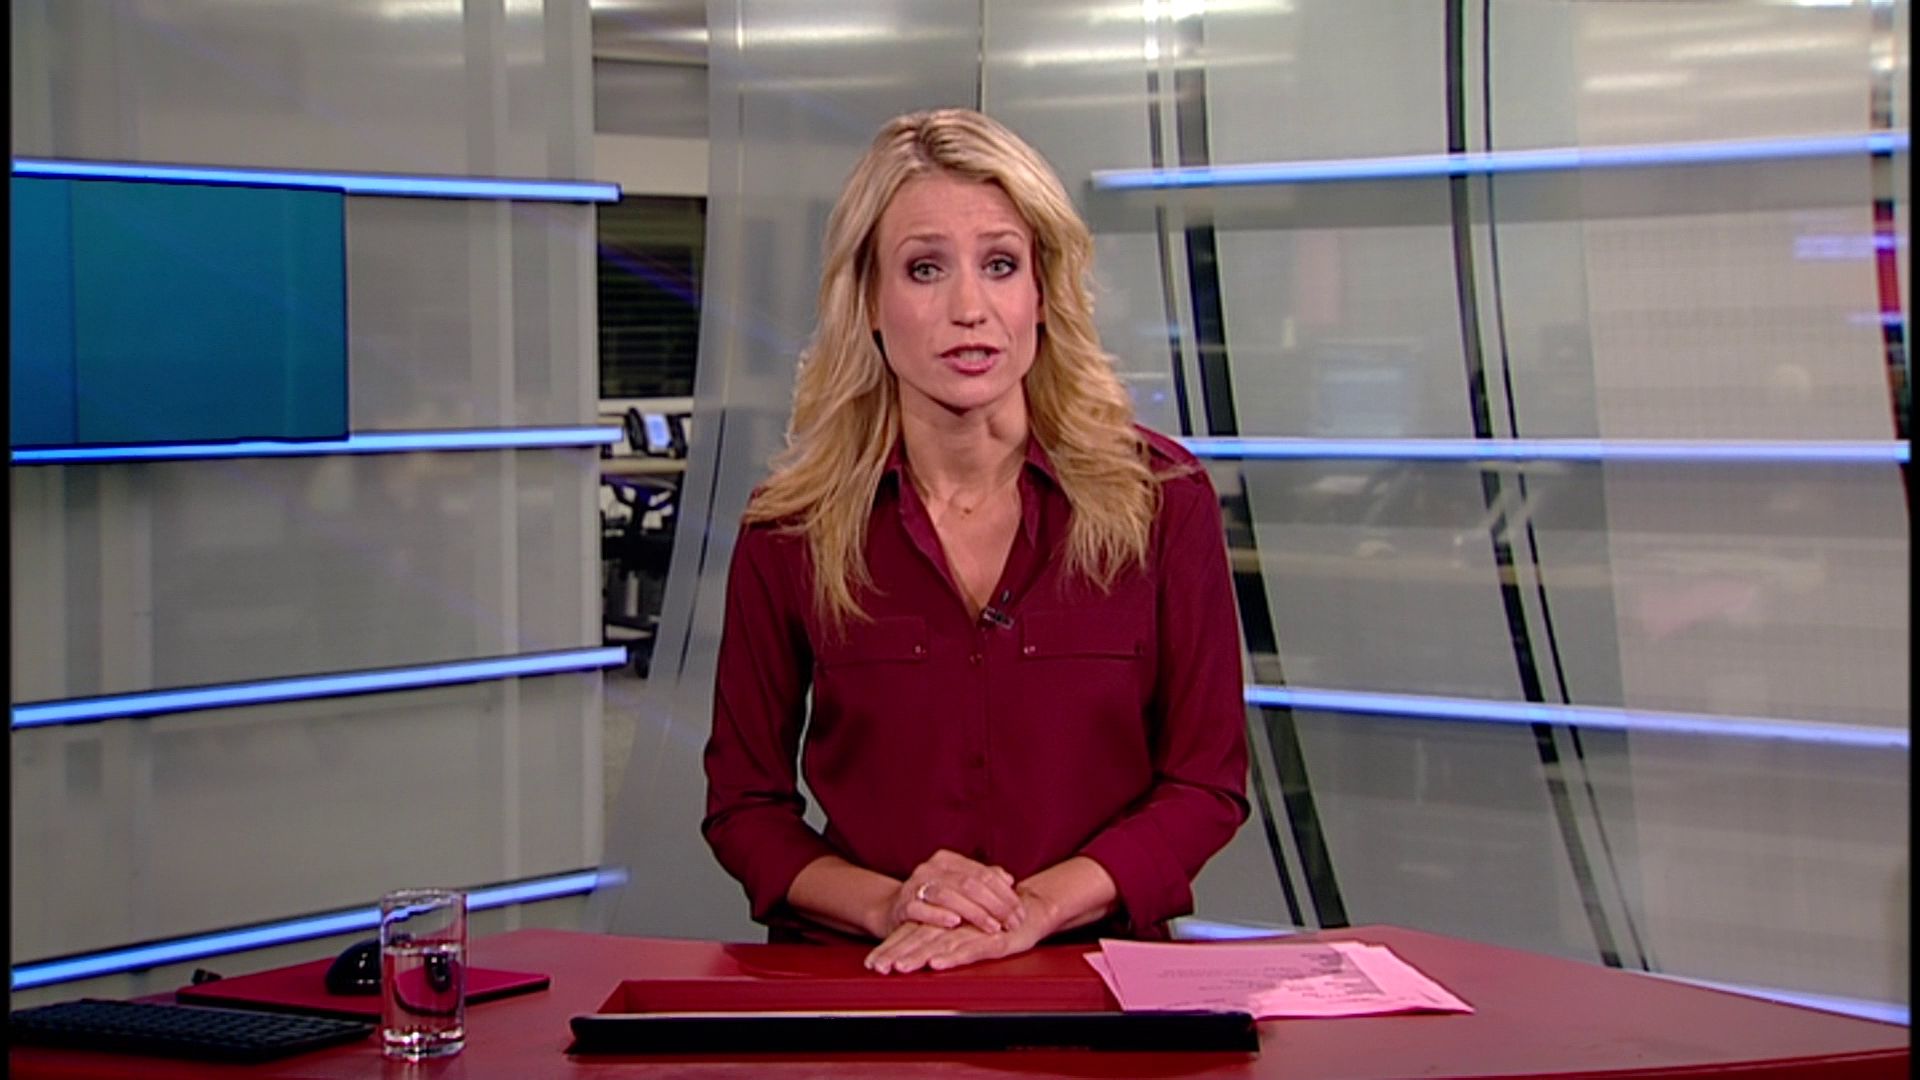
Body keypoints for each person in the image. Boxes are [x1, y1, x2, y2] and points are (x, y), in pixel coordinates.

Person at [701, 107, 1248, 975]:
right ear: (868, 301)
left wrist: (1034, 909)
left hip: (1097, 980)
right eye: (925, 269)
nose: (969, 309)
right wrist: (891, 904)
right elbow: (744, 808)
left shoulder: (1163, 502)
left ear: (1042, 291)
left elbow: (1205, 784)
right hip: (871, 980)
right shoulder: (790, 530)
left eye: (1000, 264)